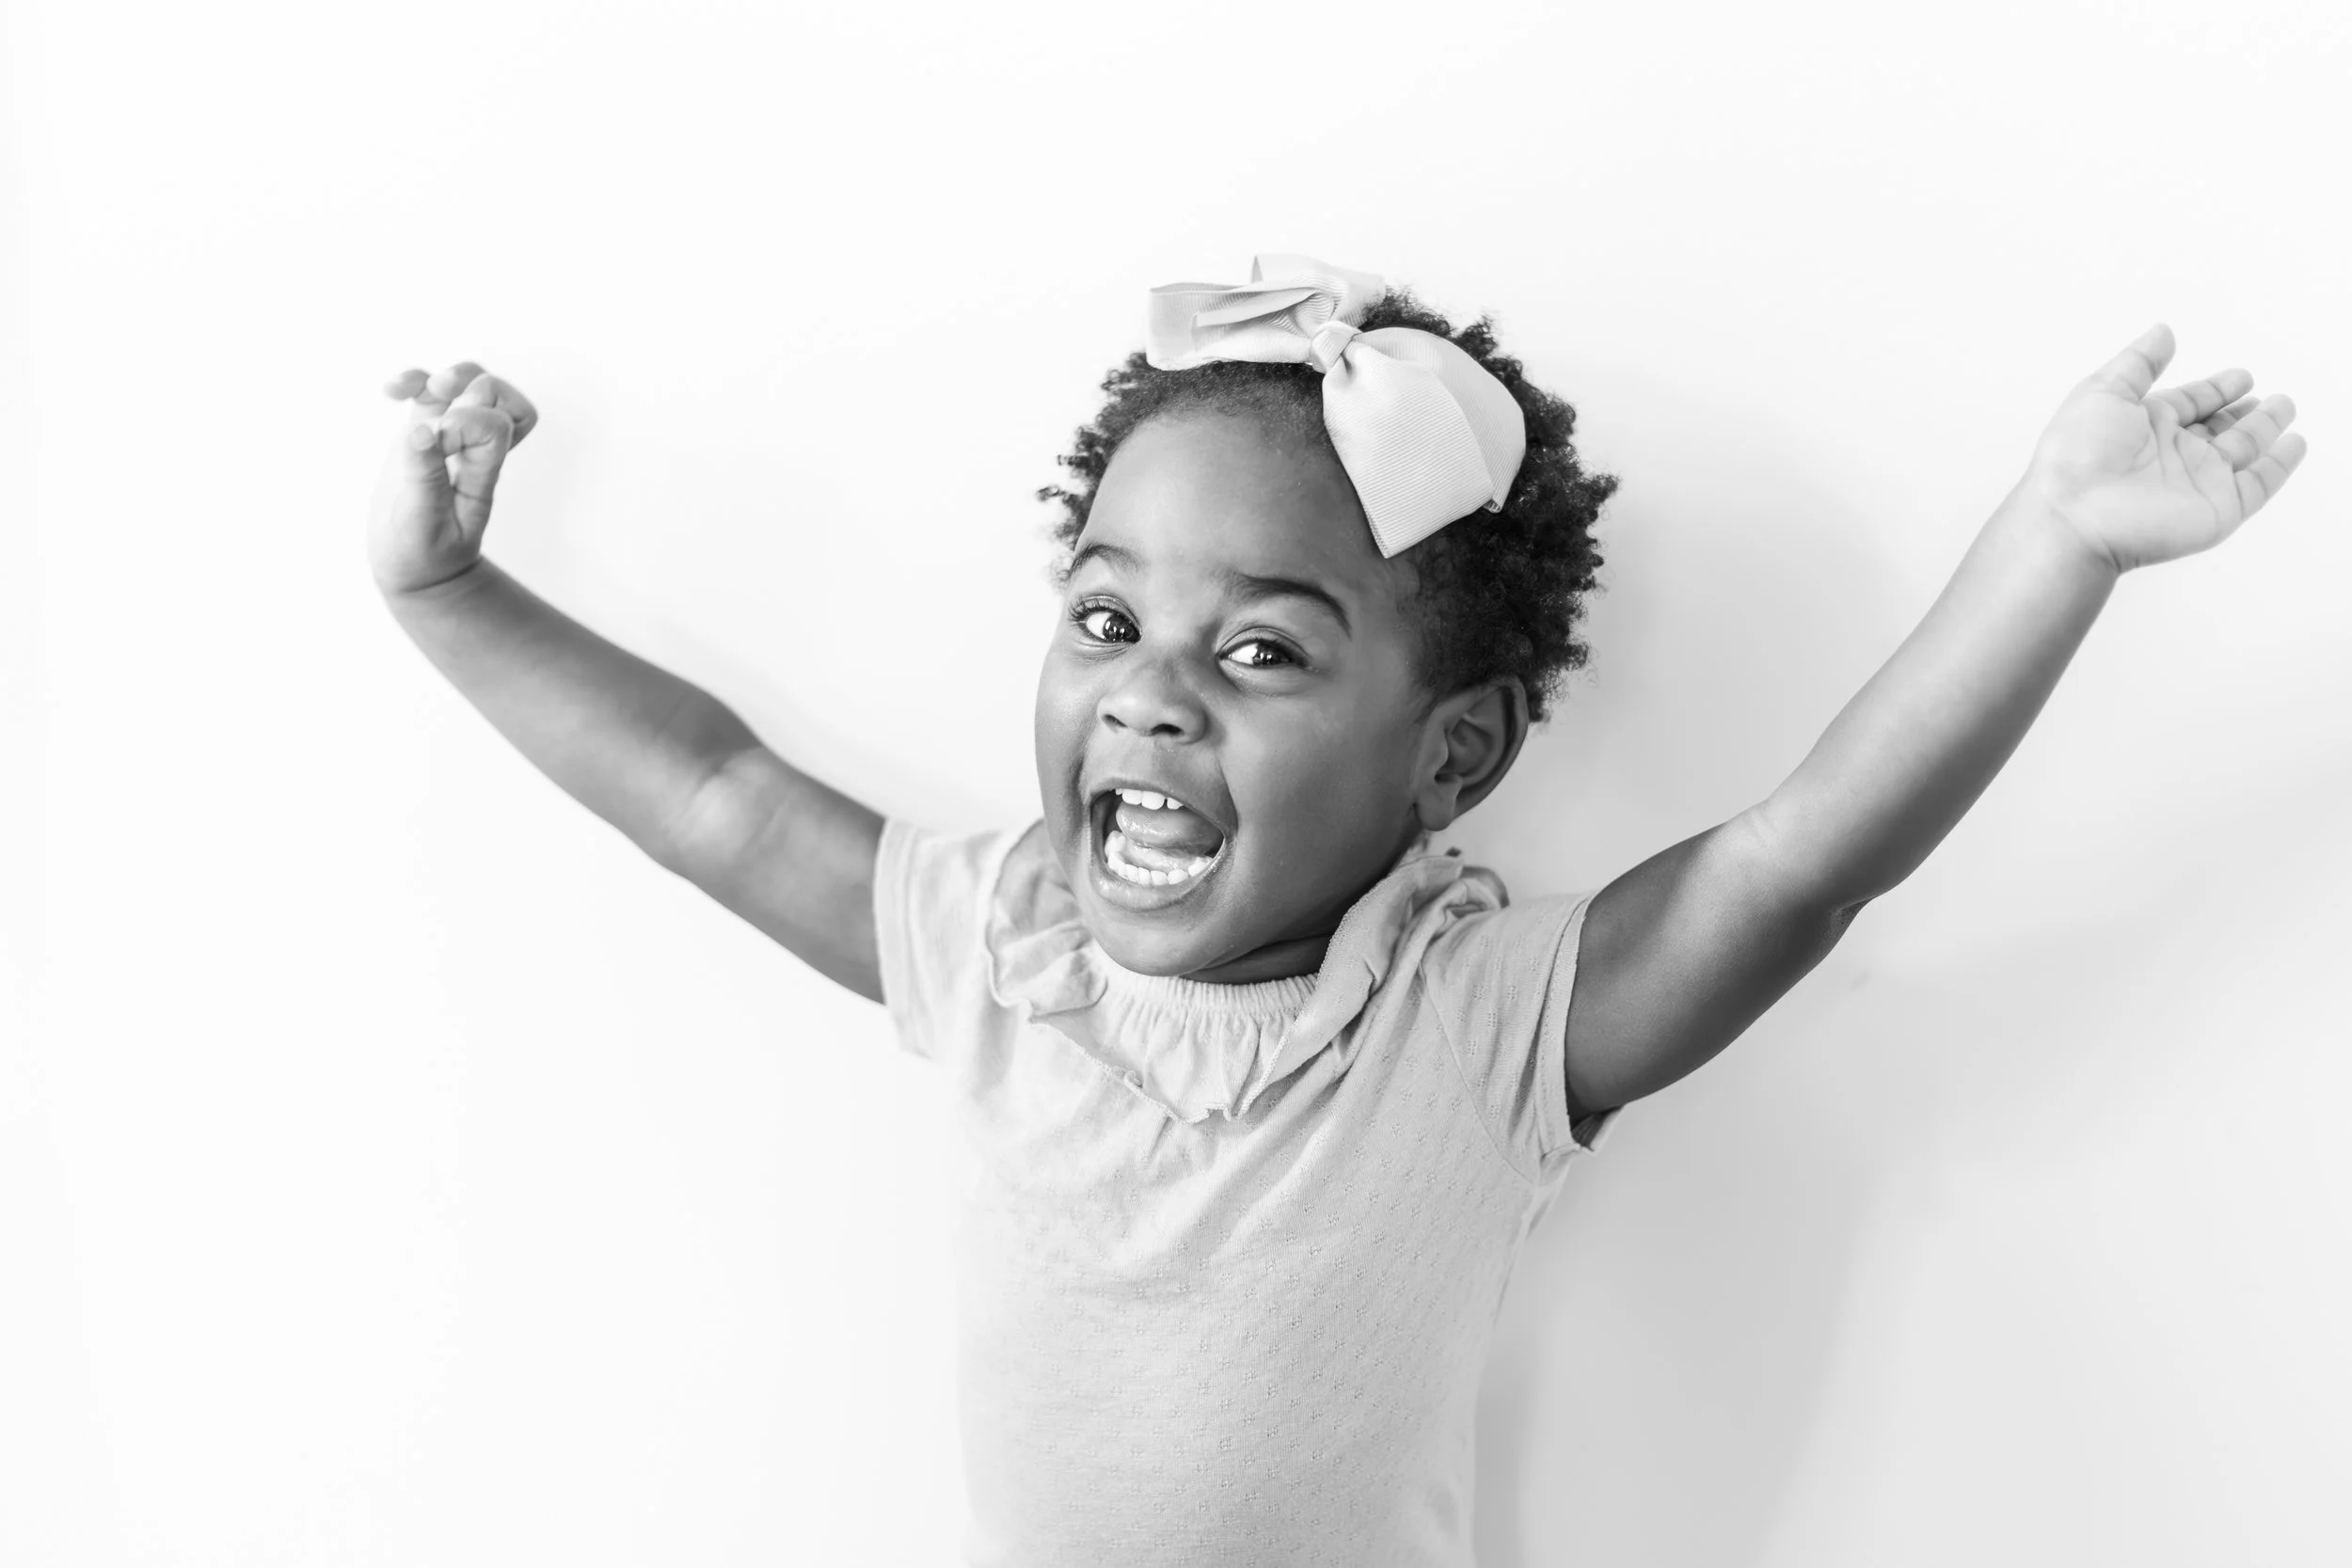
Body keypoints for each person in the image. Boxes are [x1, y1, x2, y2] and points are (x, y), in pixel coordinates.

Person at [368, 255, 2307, 1567]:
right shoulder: (993, 942)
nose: (1147, 691)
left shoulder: (1475, 1021)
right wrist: (453, 592)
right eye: (1108, 619)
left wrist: (2053, 544)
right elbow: (709, 791)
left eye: (1263, 651)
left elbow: (1797, 859)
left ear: (1447, 760)